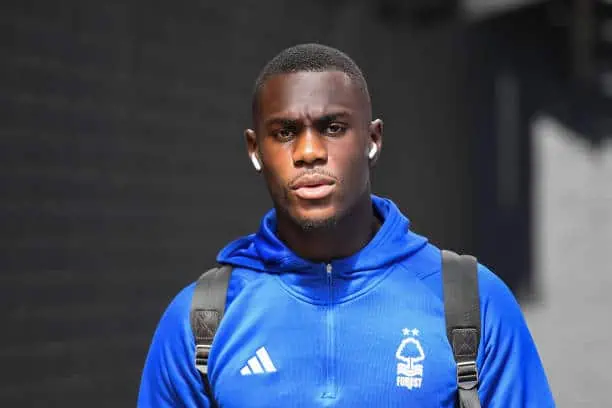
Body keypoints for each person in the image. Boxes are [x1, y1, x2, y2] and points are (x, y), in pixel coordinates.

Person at [137, 43, 554, 407]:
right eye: (285, 132)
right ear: (255, 149)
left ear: (373, 139)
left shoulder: (470, 305)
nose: (309, 151)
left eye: (333, 128)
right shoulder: (202, 322)